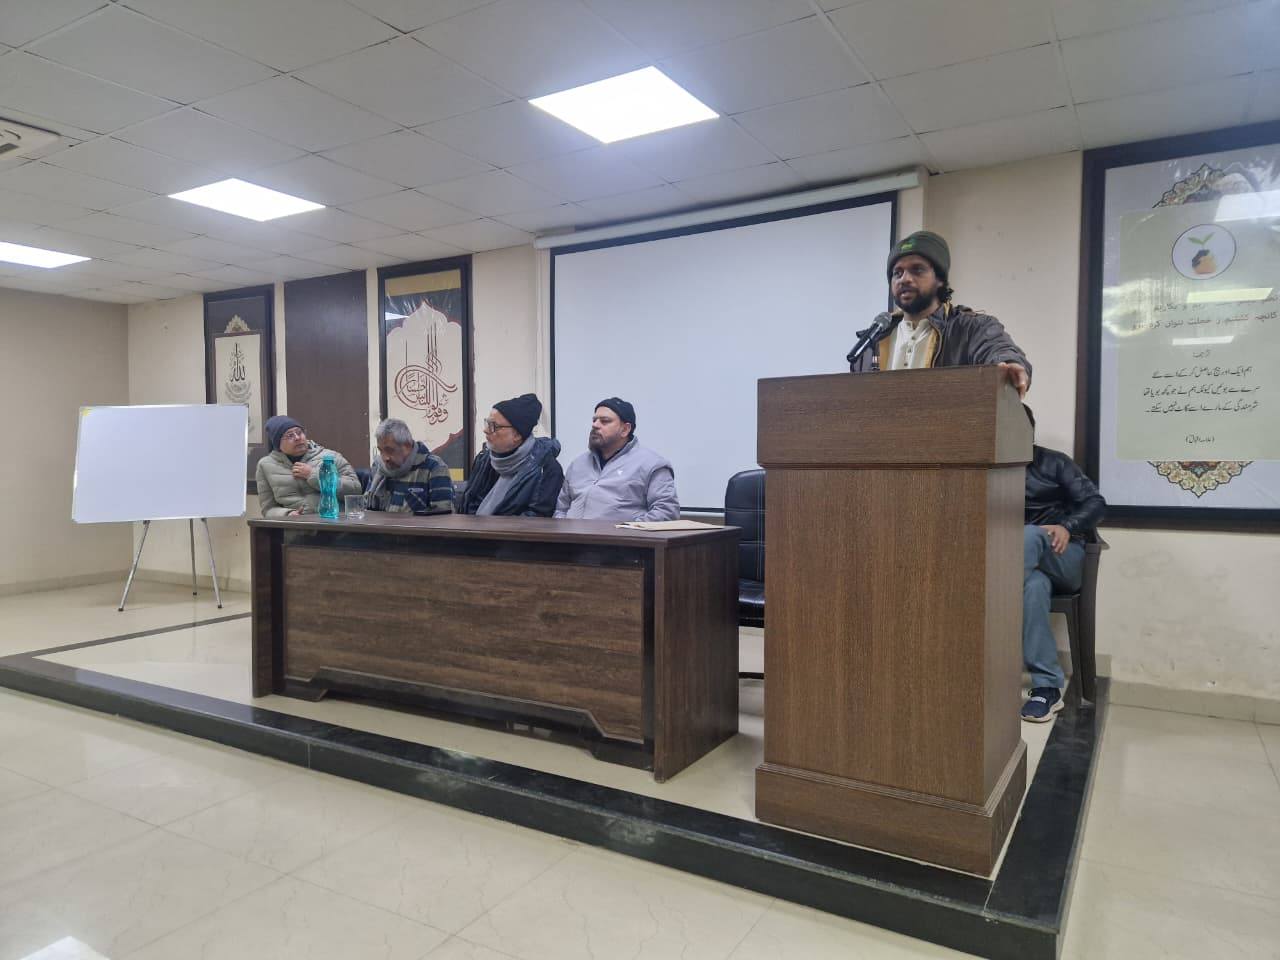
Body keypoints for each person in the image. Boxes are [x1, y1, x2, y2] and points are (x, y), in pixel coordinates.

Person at [849, 230, 1032, 396]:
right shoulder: (873, 342)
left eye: (917, 270)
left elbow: (999, 350)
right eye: (897, 273)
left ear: (940, 280)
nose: (905, 279)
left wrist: (1009, 364)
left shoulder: (971, 328)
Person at [1021, 406, 1106, 722]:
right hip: (1025, 568)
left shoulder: (1054, 463)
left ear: (1028, 430)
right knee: (1032, 587)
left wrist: (1067, 526)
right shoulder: (991, 470)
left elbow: (1096, 503)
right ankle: (1047, 689)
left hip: (1064, 557)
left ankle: (985, 650)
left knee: (1029, 534)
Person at [554, 398, 679, 522]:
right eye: (594, 420)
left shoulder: (652, 464)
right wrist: (561, 530)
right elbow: (561, 509)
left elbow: (666, 511)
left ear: (625, 429)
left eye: (604, 421)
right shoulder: (578, 464)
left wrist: (629, 529)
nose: (595, 425)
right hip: (570, 535)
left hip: (620, 535)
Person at [461, 393, 564, 517]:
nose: (486, 430)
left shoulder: (547, 469)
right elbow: (468, 505)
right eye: (487, 423)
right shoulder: (483, 459)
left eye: (494, 426)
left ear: (517, 435)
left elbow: (535, 519)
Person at [256, 415, 361, 518]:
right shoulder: (265, 465)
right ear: (277, 444)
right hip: (295, 525)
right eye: (290, 436)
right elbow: (268, 509)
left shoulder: (330, 457)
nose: (297, 438)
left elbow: (355, 490)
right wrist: (287, 514)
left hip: (332, 521)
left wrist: (313, 475)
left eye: (299, 432)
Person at [364, 418, 454, 515]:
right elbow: (365, 509)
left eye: (389, 450)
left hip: (417, 525)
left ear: (407, 446)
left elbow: (443, 517)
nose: (385, 458)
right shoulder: (378, 468)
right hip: (378, 525)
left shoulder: (434, 468)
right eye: (381, 450)